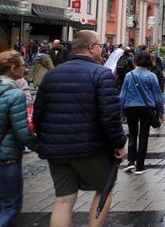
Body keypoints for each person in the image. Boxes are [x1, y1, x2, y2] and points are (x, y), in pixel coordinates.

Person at [34, 30, 127, 227]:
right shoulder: (101, 74)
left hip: (56, 149)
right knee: (104, 190)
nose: (102, 50)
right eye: (100, 46)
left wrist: (45, 140)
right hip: (91, 148)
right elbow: (110, 116)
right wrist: (119, 143)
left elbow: (38, 114)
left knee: (63, 200)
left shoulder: (53, 75)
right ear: (92, 48)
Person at [0, 50, 37, 226]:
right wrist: (41, 147)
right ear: (13, 68)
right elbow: (22, 132)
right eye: (22, 66)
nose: (25, 69)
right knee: (9, 207)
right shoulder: (15, 94)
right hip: (6, 158)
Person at [119, 52, 165, 175]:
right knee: (144, 136)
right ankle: (140, 166)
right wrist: (161, 112)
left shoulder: (129, 75)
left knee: (132, 134)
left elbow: (122, 95)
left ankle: (131, 162)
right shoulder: (151, 76)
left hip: (130, 107)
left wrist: (121, 111)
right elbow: (158, 96)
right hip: (146, 108)